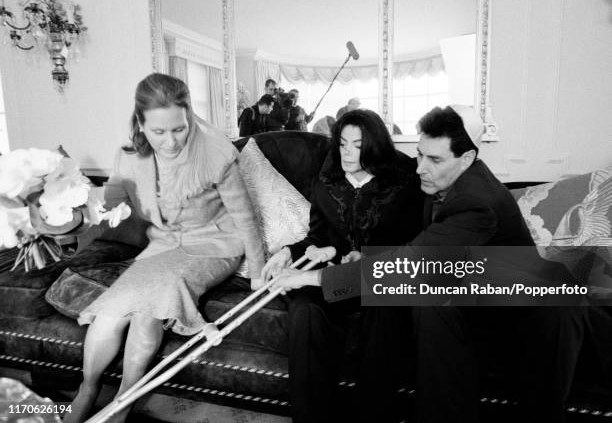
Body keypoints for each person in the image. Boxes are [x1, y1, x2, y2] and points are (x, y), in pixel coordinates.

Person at [273, 105, 585, 422]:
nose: (420, 167)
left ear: (467, 159)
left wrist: (309, 279)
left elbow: (410, 262)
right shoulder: (437, 183)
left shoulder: (476, 202)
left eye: (434, 159)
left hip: (531, 314)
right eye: (420, 154)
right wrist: (359, 256)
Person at [65, 73, 265, 423]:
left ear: (189, 118)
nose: (171, 142)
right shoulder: (129, 157)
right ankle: (88, 389)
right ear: (140, 123)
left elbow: (245, 217)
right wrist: (67, 208)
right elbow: (108, 208)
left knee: (150, 310)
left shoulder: (217, 153)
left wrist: (258, 273)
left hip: (214, 244)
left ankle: (122, 406)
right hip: (163, 247)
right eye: (159, 132)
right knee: (112, 310)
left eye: (179, 129)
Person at [262, 109, 424, 423]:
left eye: (357, 145)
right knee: (305, 309)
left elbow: (414, 243)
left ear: (374, 145)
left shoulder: (405, 179)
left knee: (386, 307)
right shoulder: (328, 177)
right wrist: (291, 250)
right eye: (343, 143)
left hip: (382, 278)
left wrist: (368, 258)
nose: (347, 153)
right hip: (333, 278)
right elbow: (320, 235)